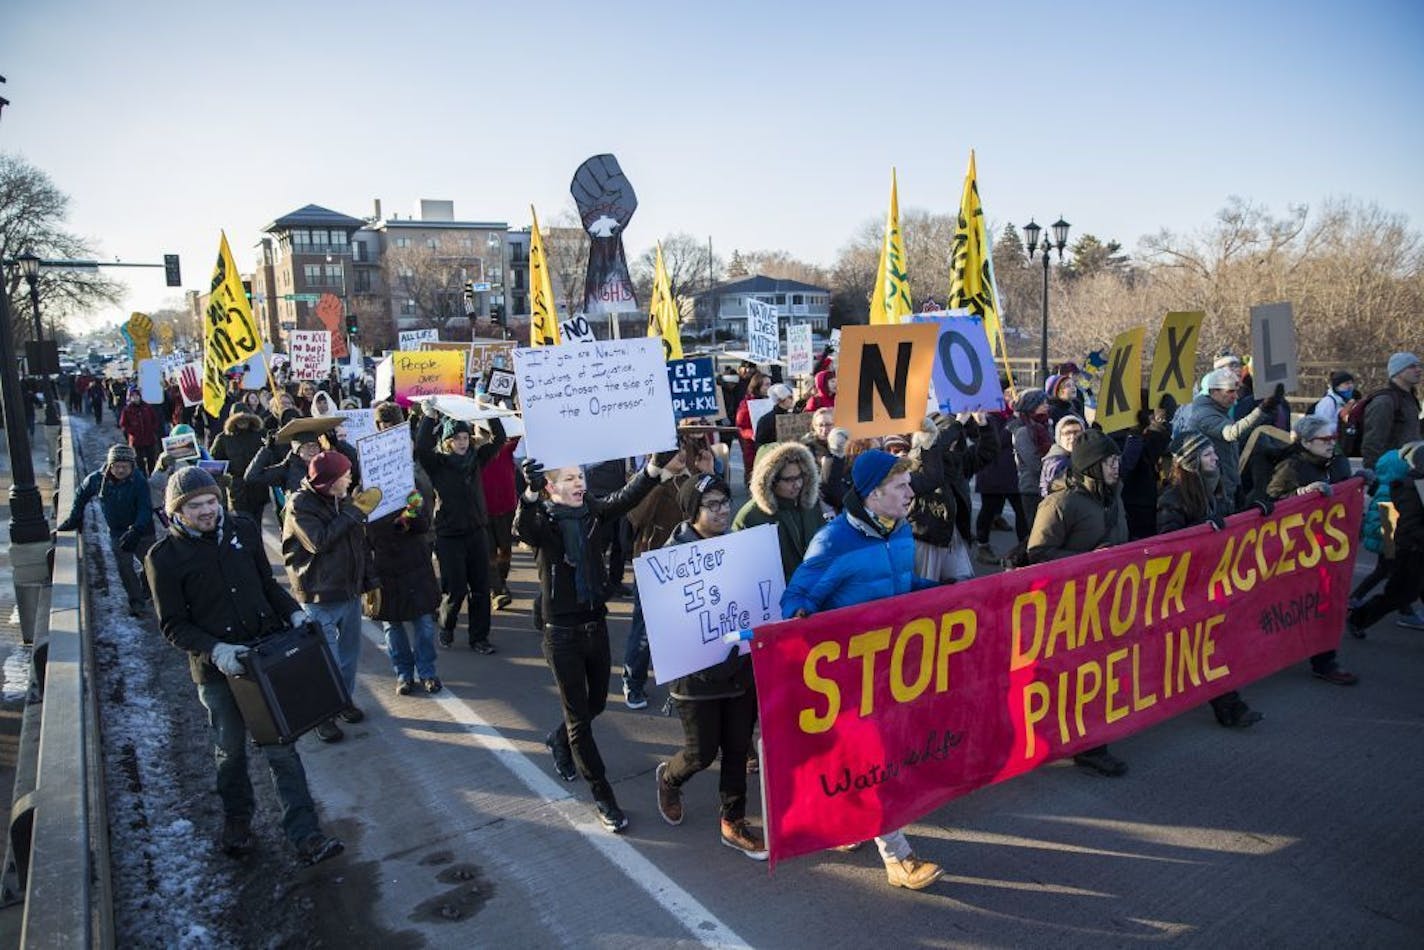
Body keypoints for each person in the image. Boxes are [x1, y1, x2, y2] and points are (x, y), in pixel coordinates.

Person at [145, 466, 344, 866]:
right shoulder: (163, 558)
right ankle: (238, 821)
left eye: (211, 501)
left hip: (262, 659)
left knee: (282, 750)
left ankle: (306, 835)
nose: (207, 511)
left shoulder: (243, 530)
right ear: (177, 513)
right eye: (196, 505)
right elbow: (172, 625)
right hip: (219, 670)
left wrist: (294, 614)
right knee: (230, 751)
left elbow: (267, 585)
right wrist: (216, 649)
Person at [782, 450, 944, 890]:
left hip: (892, 666)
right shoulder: (834, 542)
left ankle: (844, 821)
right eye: (901, 487)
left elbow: (902, 586)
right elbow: (797, 596)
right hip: (847, 676)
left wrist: (953, 592)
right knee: (877, 762)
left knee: (867, 757)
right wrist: (797, 615)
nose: (912, 494)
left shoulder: (901, 530)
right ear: (874, 495)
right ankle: (899, 859)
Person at [516, 451, 671, 832]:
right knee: (579, 722)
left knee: (596, 704)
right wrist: (529, 497)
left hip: (594, 625)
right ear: (550, 486)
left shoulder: (593, 514)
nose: (579, 483)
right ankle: (604, 797)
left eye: (580, 476)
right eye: (568, 479)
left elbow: (626, 498)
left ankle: (558, 738)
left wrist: (653, 468)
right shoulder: (544, 521)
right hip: (561, 633)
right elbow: (524, 528)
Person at [654, 474, 766, 860]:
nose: (721, 511)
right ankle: (670, 778)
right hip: (693, 675)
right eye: (712, 505)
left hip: (738, 667)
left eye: (724, 502)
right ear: (692, 511)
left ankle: (733, 821)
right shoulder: (670, 558)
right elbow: (661, 620)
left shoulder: (740, 547)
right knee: (701, 753)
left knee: (737, 747)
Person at [1025, 431, 1130, 777]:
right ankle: (1087, 745)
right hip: (1069, 604)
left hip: (1104, 598)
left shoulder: (1111, 497)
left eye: (1117, 460)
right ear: (1091, 466)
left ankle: (1087, 740)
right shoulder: (1061, 503)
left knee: (1097, 673)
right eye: (1110, 461)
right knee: (1074, 675)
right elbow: (1037, 555)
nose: (1117, 466)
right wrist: (1088, 559)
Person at [1156, 433, 1263, 728]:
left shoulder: (1214, 491)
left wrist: (1257, 510)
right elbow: (1168, 544)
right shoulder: (1172, 498)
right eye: (1207, 455)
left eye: (1214, 453)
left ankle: (1230, 707)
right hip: (1183, 589)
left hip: (1209, 582)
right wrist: (1200, 532)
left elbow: (1231, 524)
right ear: (1191, 463)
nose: (1215, 458)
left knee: (1208, 647)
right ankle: (1230, 706)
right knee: (1203, 648)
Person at [281, 451, 382, 741]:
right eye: (345, 475)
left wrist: (370, 581)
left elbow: (358, 544)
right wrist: (352, 513)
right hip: (318, 595)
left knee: (349, 657)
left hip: (347, 591)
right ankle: (323, 716)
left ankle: (342, 701)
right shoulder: (300, 504)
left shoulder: (343, 501)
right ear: (329, 481)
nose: (350, 478)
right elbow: (318, 542)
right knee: (326, 661)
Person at [1263, 415, 1359, 685]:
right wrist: (1302, 493)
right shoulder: (1291, 467)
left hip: (1327, 548)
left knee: (1326, 601)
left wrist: (1361, 482)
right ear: (1305, 442)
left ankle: (1325, 660)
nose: (1331, 444)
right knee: (1293, 604)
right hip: (1296, 550)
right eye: (1324, 440)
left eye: (1333, 439)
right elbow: (1270, 501)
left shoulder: (1337, 463)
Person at [623, 436, 715, 709]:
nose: (680, 456)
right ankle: (633, 679)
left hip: (689, 562)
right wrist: (657, 479)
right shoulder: (647, 481)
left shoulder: (693, 478)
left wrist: (708, 474)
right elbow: (636, 518)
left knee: (689, 622)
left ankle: (686, 681)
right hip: (655, 563)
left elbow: (713, 509)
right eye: (673, 453)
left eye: (682, 450)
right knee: (645, 628)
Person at [415, 411, 507, 653]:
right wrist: (428, 418)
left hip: (476, 532)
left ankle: (479, 638)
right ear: (447, 442)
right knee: (455, 590)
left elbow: (499, 438)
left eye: (465, 437)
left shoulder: (476, 459)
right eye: (457, 438)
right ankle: (447, 625)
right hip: (449, 535)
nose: (463, 442)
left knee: (480, 588)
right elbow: (421, 448)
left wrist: (489, 412)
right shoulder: (437, 464)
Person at [57, 444, 155, 616]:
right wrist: (75, 517)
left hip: (142, 530)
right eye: (117, 466)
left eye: (125, 466)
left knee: (151, 564)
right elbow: (81, 494)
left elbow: (145, 508)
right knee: (125, 567)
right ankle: (136, 602)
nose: (121, 470)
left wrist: (137, 529)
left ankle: (147, 588)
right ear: (110, 466)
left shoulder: (139, 481)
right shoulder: (97, 480)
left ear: (132, 466)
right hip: (117, 531)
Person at [364, 487, 443, 695]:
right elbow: (365, 538)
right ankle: (404, 674)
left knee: (424, 624)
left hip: (415, 566)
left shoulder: (408, 487)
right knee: (393, 627)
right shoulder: (363, 493)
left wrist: (410, 512)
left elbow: (424, 525)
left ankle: (427, 672)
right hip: (386, 570)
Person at [1176, 368, 1281, 511]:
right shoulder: (1204, 415)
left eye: (1236, 391)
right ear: (1213, 392)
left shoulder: (1219, 410)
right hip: (1212, 489)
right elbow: (1231, 433)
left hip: (1226, 484)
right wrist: (1263, 410)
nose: (1235, 396)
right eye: (1230, 391)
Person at [1349, 442, 1424, 636]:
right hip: (1409, 550)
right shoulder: (1406, 489)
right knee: (1397, 590)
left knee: (1399, 584)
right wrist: (1389, 549)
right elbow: (1406, 526)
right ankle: (1358, 616)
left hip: (1410, 548)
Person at [732, 441, 824, 581]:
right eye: (789, 480)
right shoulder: (750, 517)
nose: (798, 484)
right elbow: (745, 570)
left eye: (800, 476)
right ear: (770, 481)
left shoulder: (810, 504)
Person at [1360, 352, 1422, 470]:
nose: (1418, 370)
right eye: (1412, 366)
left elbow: (1410, 431)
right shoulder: (1384, 401)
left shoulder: (1409, 398)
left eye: (1419, 366)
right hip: (1391, 470)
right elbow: (1373, 442)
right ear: (1397, 371)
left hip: (1409, 469)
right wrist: (1375, 475)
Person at [210, 408, 269, 524]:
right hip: (237, 487)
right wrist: (223, 477)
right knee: (241, 522)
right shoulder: (223, 439)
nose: (243, 422)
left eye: (246, 419)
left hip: (258, 486)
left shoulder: (261, 435)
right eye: (239, 419)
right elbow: (214, 462)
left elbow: (271, 455)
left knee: (257, 522)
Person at [1009, 389, 1052, 536]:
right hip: (1032, 489)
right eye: (1042, 403)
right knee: (1036, 532)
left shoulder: (1046, 426)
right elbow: (1035, 464)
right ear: (1031, 406)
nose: (1046, 406)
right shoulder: (1023, 431)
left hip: (1048, 486)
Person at [1038, 414, 1085, 497]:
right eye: (1067, 433)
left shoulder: (1080, 455)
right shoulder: (1056, 462)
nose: (1072, 437)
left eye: (1077, 432)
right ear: (1059, 436)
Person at [118, 388, 163, 475]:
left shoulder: (147, 407)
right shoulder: (127, 409)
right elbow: (123, 424)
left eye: (137, 396)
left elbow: (154, 419)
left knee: (151, 459)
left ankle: (152, 475)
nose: (135, 398)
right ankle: (142, 476)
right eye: (133, 396)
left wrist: (153, 429)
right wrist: (132, 431)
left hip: (149, 438)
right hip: (136, 440)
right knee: (139, 460)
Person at [753, 383, 797, 448]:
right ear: (781, 400)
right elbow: (760, 444)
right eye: (790, 397)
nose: (793, 400)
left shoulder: (793, 416)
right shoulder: (766, 420)